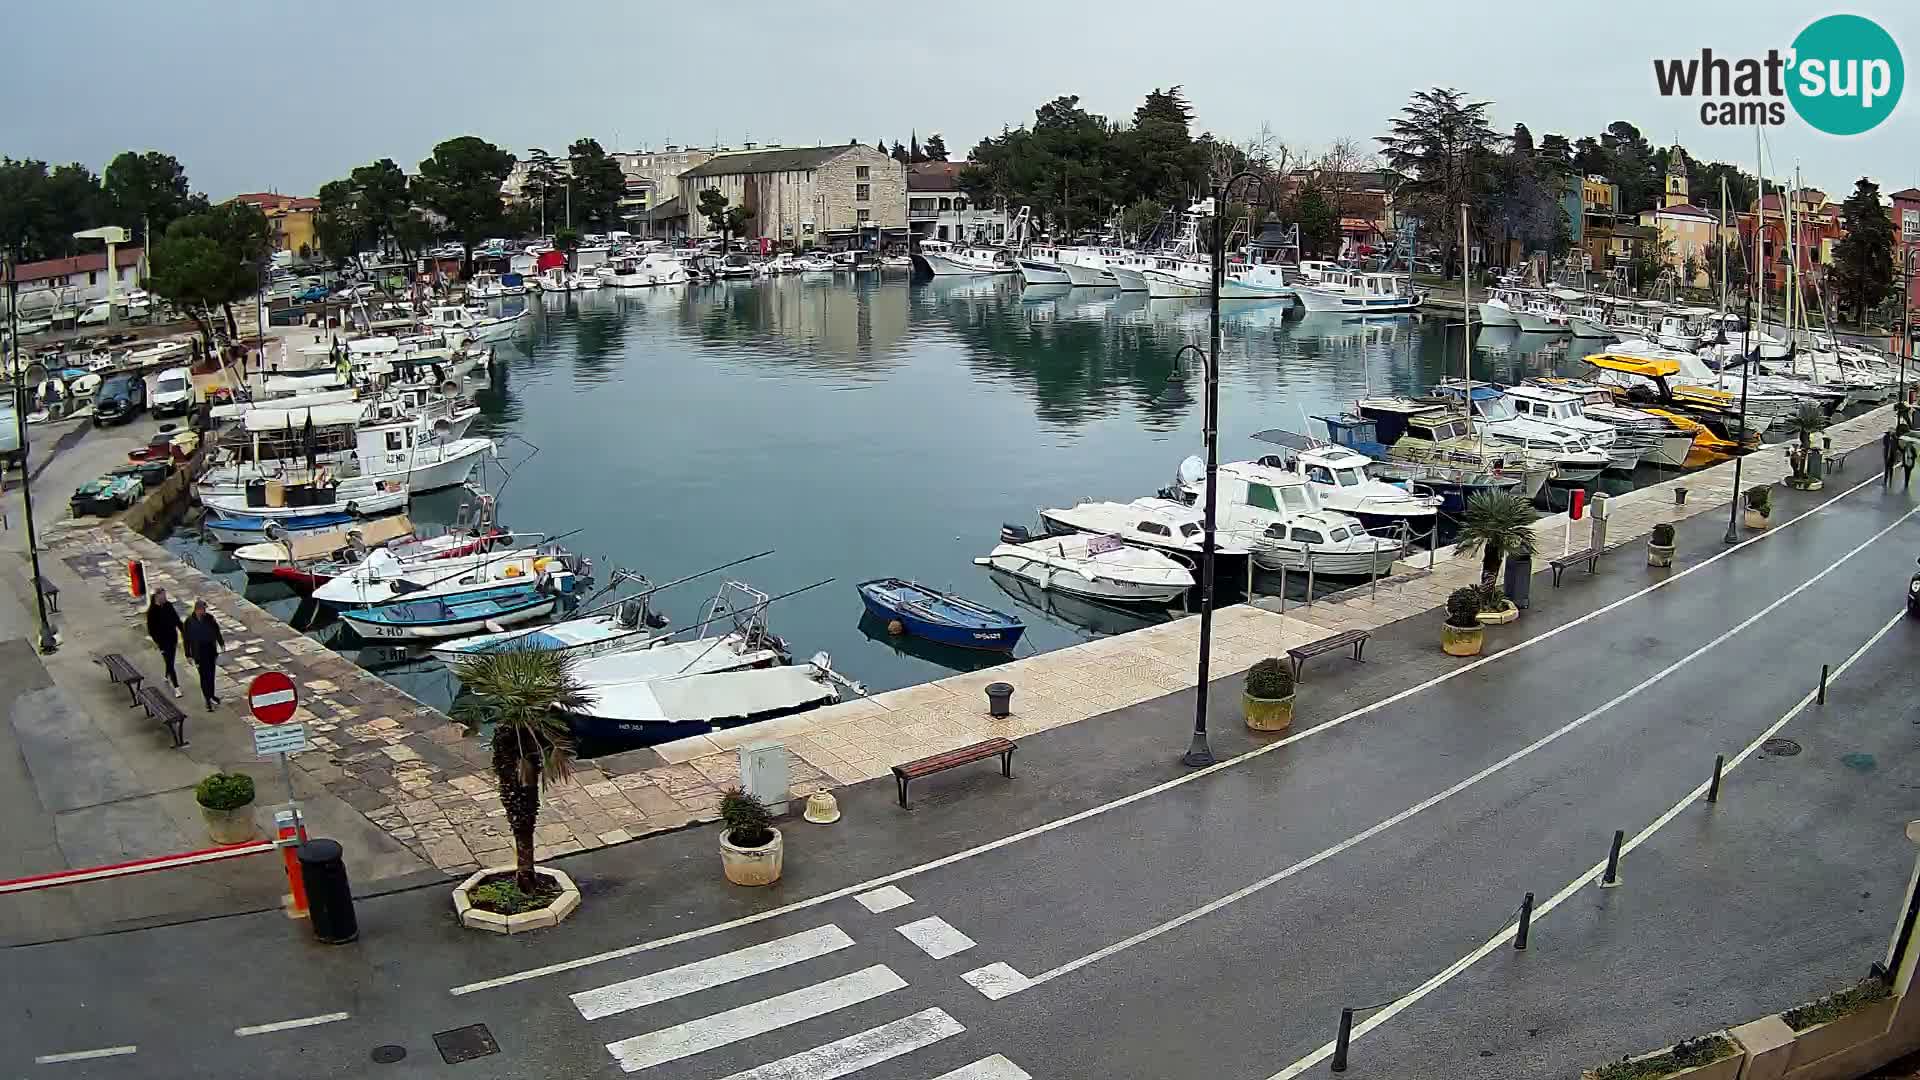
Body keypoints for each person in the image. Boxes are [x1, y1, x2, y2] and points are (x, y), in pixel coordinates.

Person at [182, 600, 226, 711]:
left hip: (210, 651)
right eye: (202, 609)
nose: (204, 611)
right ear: (197, 610)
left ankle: (212, 695)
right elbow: (186, 639)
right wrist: (188, 654)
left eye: (205, 609)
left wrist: (221, 643)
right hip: (198, 654)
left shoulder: (210, 618)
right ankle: (207, 699)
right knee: (204, 677)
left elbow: (216, 631)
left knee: (211, 675)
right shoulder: (189, 622)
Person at [145, 589, 184, 699]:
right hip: (163, 641)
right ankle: (176, 687)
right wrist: (159, 644)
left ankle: (167, 675)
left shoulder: (168, 605)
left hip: (172, 638)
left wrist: (184, 632)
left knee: (170, 659)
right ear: (157, 597)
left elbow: (176, 620)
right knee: (170, 662)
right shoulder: (152, 612)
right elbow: (151, 630)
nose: (165, 598)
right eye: (163, 596)